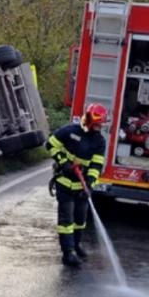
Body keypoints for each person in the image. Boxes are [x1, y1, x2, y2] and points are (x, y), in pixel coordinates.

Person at [46, 103, 108, 267]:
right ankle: (68, 253)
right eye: (96, 124)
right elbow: (50, 144)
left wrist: (90, 183)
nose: (98, 127)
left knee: (80, 218)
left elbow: (96, 165)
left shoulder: (99, 141)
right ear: (88, 120)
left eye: (100, 124)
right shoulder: (70, 131)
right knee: (66, 218)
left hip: (82, 187)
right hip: (64, 183)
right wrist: (64, 162)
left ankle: (76, 244)